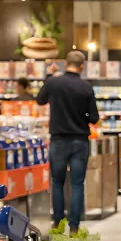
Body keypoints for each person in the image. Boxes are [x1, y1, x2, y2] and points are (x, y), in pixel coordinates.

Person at [35, 51, 99, 230]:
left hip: (58, 140)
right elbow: (93, 117)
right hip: (80, 140)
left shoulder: (54, 83)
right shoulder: (86, 87)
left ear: (65, 63)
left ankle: (58, 222)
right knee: (78, 183)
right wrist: (82, 115)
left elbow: (40, 100)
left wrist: (49, 75)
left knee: (57, 182)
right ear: (82, 66)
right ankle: (74, 225)